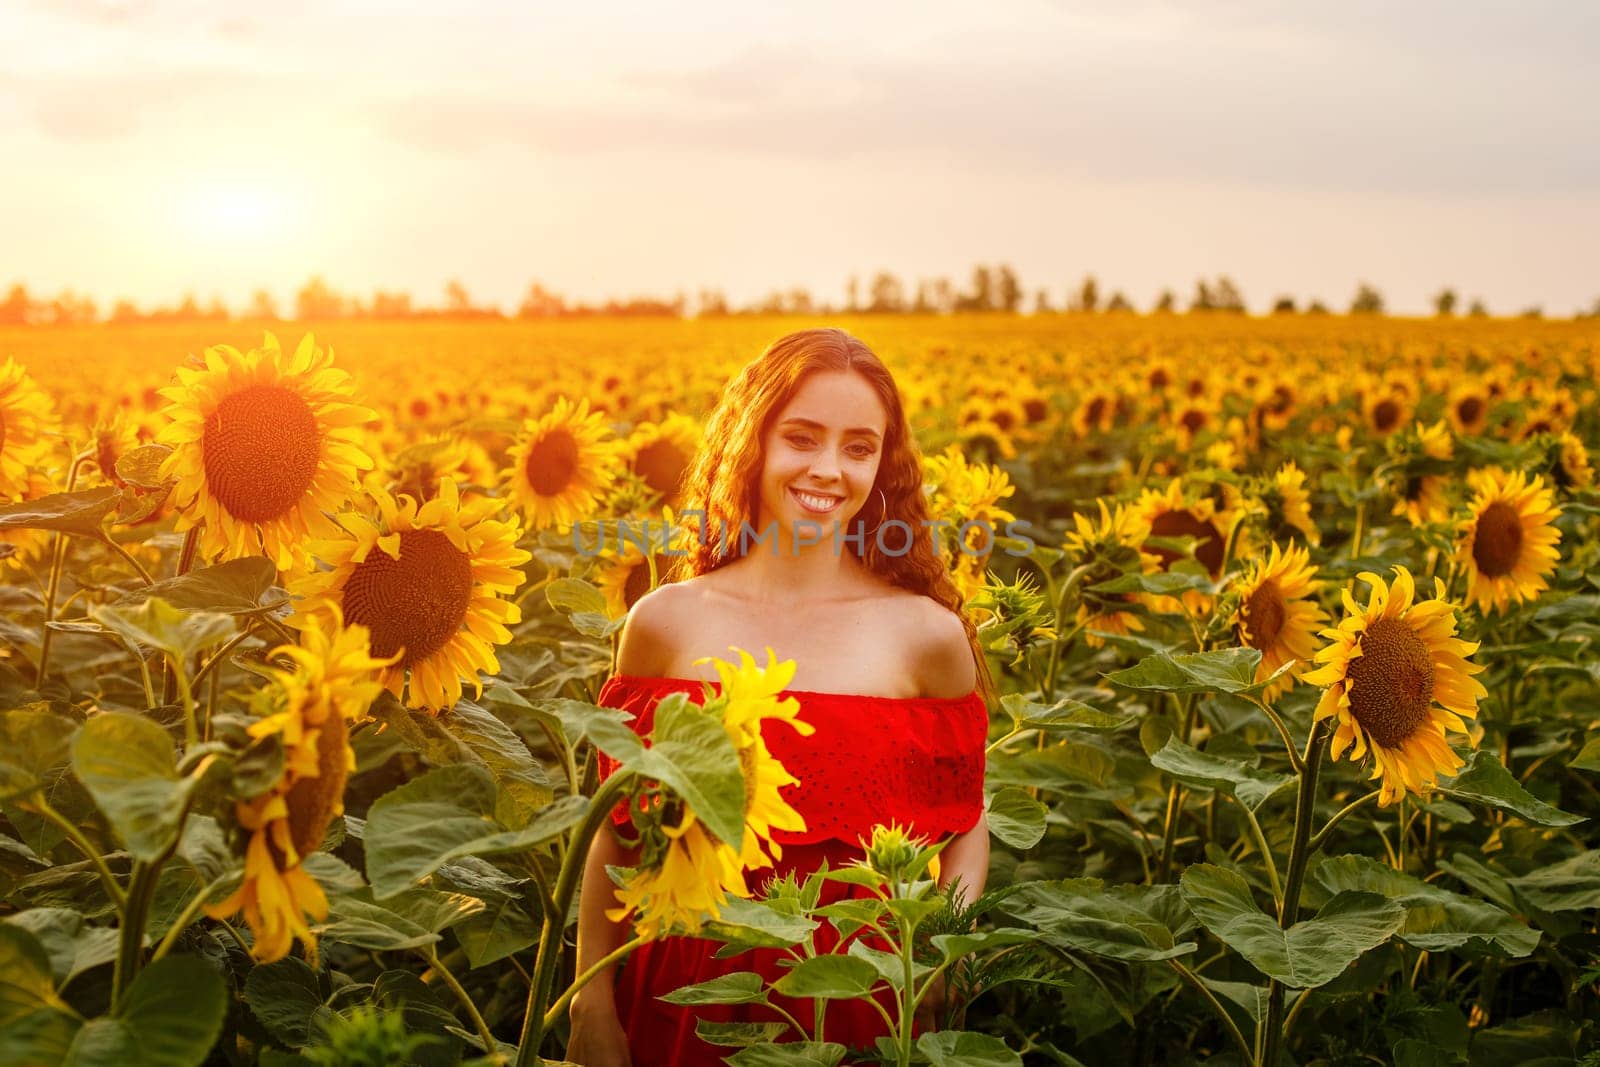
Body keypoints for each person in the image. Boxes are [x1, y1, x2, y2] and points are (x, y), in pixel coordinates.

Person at [568, 328, 995, 1066]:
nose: (828, 469)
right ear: (753, 443)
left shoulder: (923, 633)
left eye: (859, 447)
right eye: (802, 437)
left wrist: (939, 959)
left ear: (882, 464)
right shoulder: (667, 622)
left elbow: (965, 819)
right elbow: (620, 829)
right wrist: (590, 1000)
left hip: (859, 998)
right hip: (683, 987)